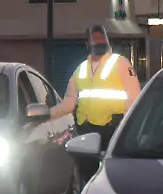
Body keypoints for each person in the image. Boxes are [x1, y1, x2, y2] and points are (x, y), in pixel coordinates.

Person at [51, 25, 142, 179]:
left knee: (109, 177)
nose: (99, 43)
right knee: (87, 177)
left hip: (111, 132)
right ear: (87, 44)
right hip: (86, 132)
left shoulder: (120, 63)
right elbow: (69, 102)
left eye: (102, 38)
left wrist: (122, 122)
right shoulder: (81, 69)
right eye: (95, 39)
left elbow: (135, 99)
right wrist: (48, 114)